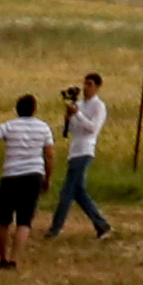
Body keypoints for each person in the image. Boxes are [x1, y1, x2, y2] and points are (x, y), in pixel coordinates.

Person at [47, 71, 114, 239]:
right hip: (74, 151)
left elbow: (93, 128)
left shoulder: (98, 106)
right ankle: (102, 225)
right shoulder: (81, 105)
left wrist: (77, 113)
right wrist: (69, 118)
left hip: (85, 150)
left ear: (97, 87)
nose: (86, 88)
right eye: (85, 84)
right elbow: (70, 130)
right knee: (79, 193)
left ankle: (55, 228)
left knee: (67, 192)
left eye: (90, 84)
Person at [0, 92, 54, 267]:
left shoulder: (10, 126)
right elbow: (49, 155)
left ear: (17, 110)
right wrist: (47, 178)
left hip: (10, 176)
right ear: (34, 110)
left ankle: (2, 258)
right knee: (24, 221)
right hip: (33, 176)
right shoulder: (44, 128)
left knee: (4, 220)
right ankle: (14, 259)